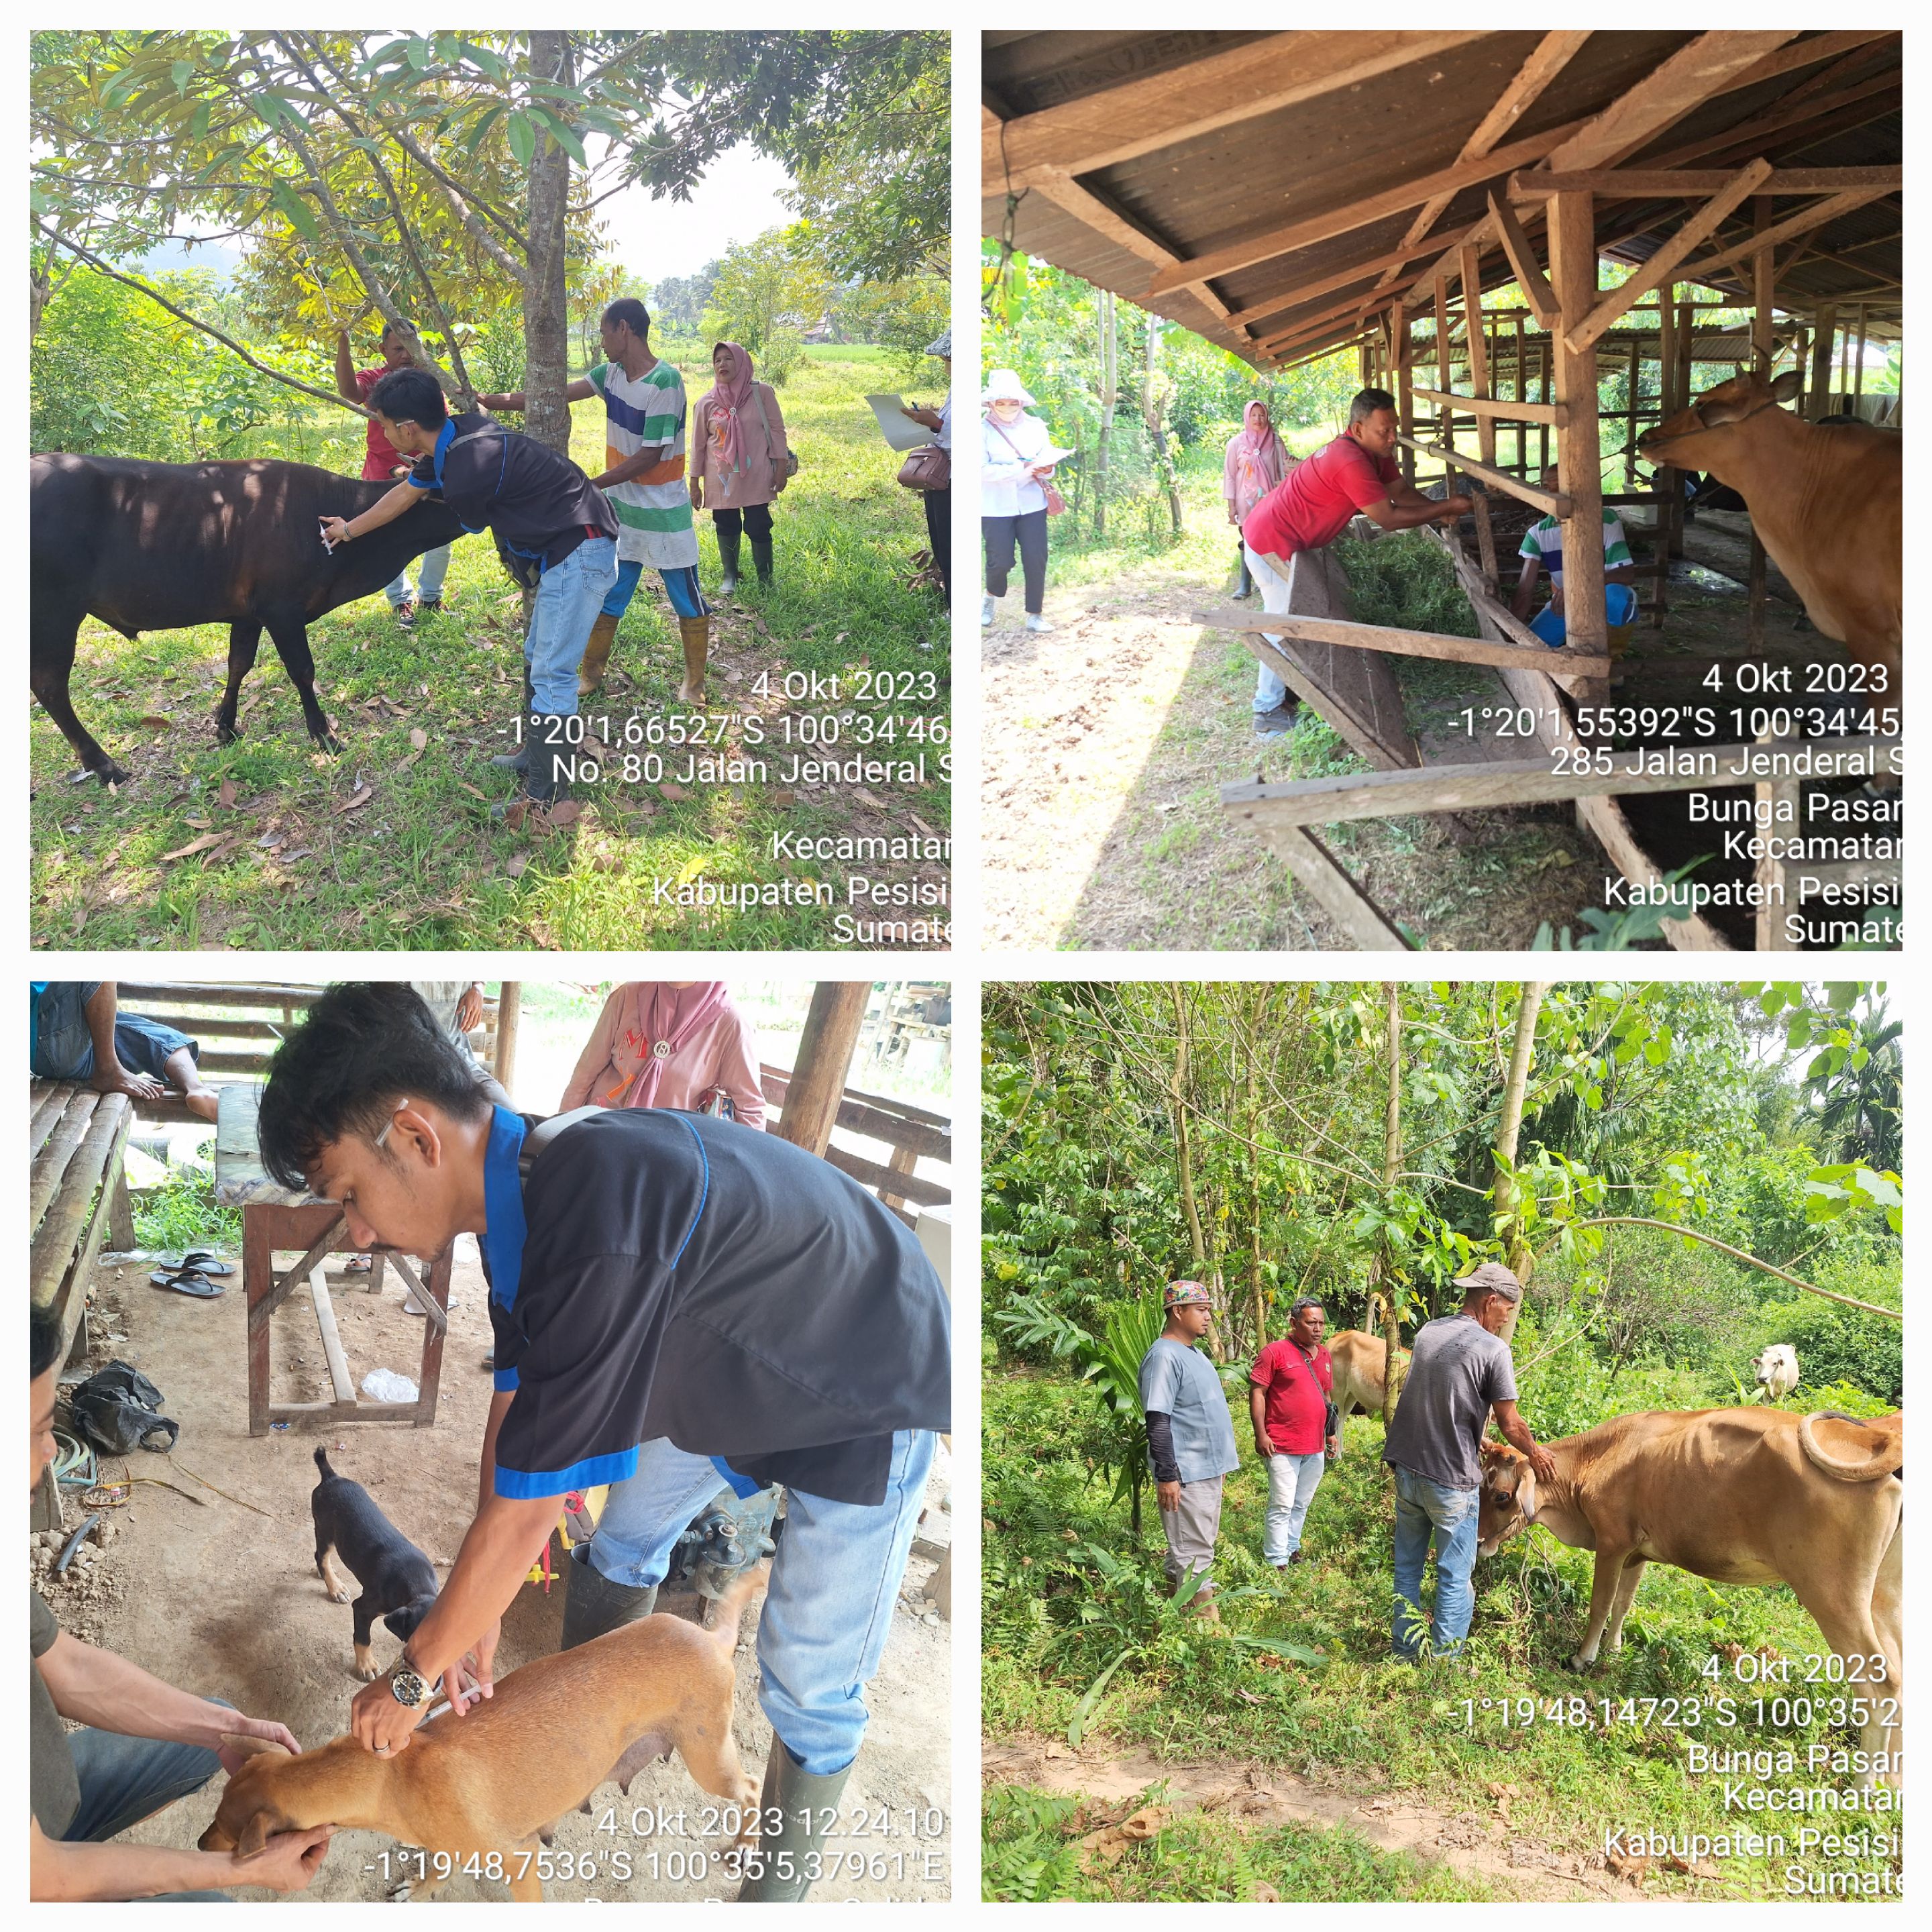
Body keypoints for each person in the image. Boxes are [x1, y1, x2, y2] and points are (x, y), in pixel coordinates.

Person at [254, 984, 950, 1902]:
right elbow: (516, 1407)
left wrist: (414, 1677)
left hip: (864, 1374)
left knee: (807, 1682)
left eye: (350, 1194)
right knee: (621, 1544)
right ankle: (590, 1736)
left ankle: (775, 1898)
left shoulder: (592, 1215)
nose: (358, 1229)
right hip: (731, 1365)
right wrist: (477, 1607)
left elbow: (531, 1506)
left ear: (417, 1138)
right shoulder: (518, 1188)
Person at [30, 1305, 332, 1900]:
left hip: (45, 1797)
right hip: (31, 1874)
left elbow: (67, 1667)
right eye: (40, 1430)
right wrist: (243, 1871)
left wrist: (228, 1730)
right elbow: (38, 1878)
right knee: (208, 1906)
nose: (50, 1452)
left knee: (213, 1722)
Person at [315, 367, 618, 814]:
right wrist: (349, 529)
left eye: (383, 424)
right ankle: (536, 757)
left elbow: (461, 515)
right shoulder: (459, 432)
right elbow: (404, 494)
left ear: (407, 429)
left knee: (553, 671)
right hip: (566, 544)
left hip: (582, 548)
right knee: (538, 656)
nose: (382, 433)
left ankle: (549, 794)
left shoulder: (465, 471)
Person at [479, 299, 710, 707]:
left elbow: (650, 456)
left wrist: (590, 485)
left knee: (686, 598)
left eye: (604, 333)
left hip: (664, 512)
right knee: (610, 594)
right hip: (621, 511)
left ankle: (694, 682)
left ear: (624, 329)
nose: (601, 342)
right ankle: (592, 672)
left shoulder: (666, 382)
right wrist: (486, 399)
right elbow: (553, 396)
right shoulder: (611, 374)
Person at [1243, 387, 1472, 737]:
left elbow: (1400, 493)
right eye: (1385, 431)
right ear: (1358, 429)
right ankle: (1267, 710)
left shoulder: (1374, 452)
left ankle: (1286, 692)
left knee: (1290, 617)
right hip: (1270, 541)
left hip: (1287, 537)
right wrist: (1446, 507)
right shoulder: (1350, 460)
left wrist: (1437, 512)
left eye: (1394, 429)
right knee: (1282, 623)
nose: (1392, 438)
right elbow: (1389, 518)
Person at [1381, 1262, 1558, 1662]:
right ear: (1491, 1300)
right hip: (1449, 1481)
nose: (1506, 1318)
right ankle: (1443, 1665)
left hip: (1407, 1469)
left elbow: (1433, 1395)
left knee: (1407, 1570)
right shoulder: (1493, 1349)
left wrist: (1475, 1435)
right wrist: (1536, 1452)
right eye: (1507, 1309)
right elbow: (1511, 1423)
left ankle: (1404, 1653)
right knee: (1454, 1576)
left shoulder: (1429, 1331)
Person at [334, 319, 454, 627]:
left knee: (439, 535)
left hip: (427, 469)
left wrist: (424, 463)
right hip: (382, 475)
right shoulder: (375, 380)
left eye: (410, 347)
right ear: (383, 350)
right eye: (398, 349)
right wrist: (343, 344)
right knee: (388, 536)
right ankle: (400, 601)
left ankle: (431, 596)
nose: (405, 355)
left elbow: (442, 427)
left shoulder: (428, 382)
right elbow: (349, 391)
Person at [1137, 1281, 1240, 1618]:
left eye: (1208, 1309)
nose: (1208, 1316)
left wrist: (1218, 1465)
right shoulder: (1164, 1356)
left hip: (1206, 1469)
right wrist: (1168, 1475)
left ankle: (1172, 1616)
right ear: (1178, 1311)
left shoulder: (1193, 1352)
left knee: (1186, 1548)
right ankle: (1207, 1631)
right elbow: (1158, 1419)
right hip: (1185, 1473)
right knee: (1194, 1553)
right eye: (1201, 1309)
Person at [559, 982, 767, 1126]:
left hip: (669, 1155)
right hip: (598, 1132)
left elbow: (750, 1110)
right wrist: (559, 1132)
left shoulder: (731, 1025)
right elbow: (585, 1073)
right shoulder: (628, 996)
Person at [30, 982, 219, 1122]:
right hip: (42, 1036)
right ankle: (109, 1070)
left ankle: (197, 1090)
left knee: (165, 1040)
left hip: (70, 1047)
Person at [690, 341, 790, 597]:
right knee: (726, 524)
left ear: (742, 362)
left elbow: (777, 431)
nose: (722, 364)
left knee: (759, 524)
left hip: (757, 474)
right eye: (717, 360)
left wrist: (781, 467)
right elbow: (698, 445)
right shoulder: (706, 402)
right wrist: (694, 483)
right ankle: (730, 575)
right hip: (722, 478)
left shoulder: (761, 393)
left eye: (728, 359)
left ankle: (765, 579)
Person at [1510, 468, 1642, 654]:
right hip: (1565, 604)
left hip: (1602, 596)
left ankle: (1611, 656)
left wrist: (1576, 588)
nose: (1553, 494)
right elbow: (1525, 591)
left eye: (1560, 487)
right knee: (1532, 646)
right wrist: (1510, 635)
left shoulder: (1605, 519)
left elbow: (1627, 574)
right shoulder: (1537, 534)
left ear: (1576, 489)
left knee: (1617, 601)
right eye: (1547, 487)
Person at [1248, 1297, 1337, 1568]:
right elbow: (1258, 1393)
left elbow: (1326, 1395)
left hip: (1315, 1444)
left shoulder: (1324, 1355)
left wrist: (1331, 1433)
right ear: (1294, 1323)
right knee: (1282, 1504)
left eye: (1321, 1323)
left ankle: (1291, 1547)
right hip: (1282, 1444)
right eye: (1311, 1323)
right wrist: (1261, 1434)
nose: (1318, 1329)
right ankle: (1277, 1560)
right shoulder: (1274, 1352)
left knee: (1301, 1503)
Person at [980, 369, 1059, 634]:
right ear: (991, 403)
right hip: (995, 506)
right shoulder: (981, 430)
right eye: (1001, 402)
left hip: (1032, 503)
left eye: (1012, 402)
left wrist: (1046, 468)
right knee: (1000, 560)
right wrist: (1018, 468)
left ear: (1021, 402)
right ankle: (990, 598)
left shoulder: (1036, 426)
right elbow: (980, 469)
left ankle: (1035, 614)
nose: (1007, 407)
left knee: (1036, 558)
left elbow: (1048, 459)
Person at [902, 327, 953, 606]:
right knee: (942, 545)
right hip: (941, 478)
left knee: (952, 547)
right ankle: (951, 606)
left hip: (954, 480)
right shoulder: (955, 389)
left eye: (949, 360)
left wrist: (935, 424)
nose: (947, 367)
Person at [1223, 400, 1291, 600]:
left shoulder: (1275, 441)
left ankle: (1266, 580)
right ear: (1247, 417)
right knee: (1248, 539)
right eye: (1253, 415)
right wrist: (1231, 506)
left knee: (1270, 538)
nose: (1258, 419)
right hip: (1246, 501)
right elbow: (1230, 476)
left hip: (1270, 501)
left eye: (1262, 415)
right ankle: (1245, 585)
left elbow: (1286, 467)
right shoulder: (1236, 444)